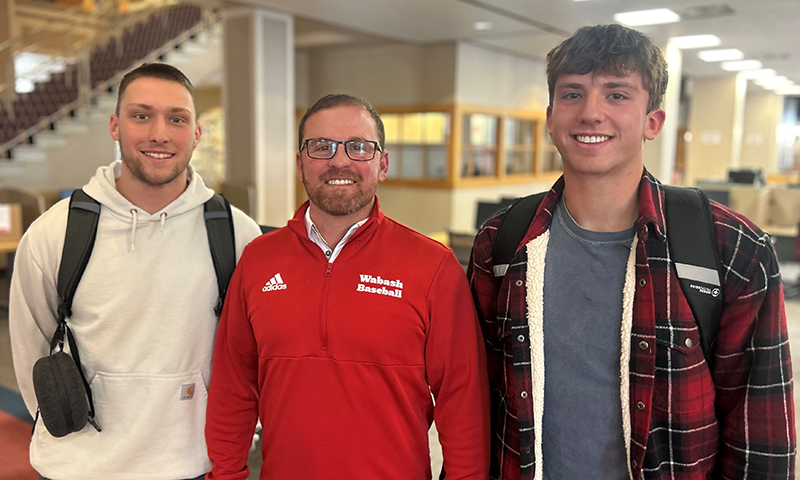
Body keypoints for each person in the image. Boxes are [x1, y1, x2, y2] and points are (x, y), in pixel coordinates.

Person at [469, 24, 796, 480]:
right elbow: (475, 406)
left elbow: (761, 444)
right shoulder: (501, 244)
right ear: (550, 117)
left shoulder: (731, 248)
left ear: (652, 122)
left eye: (617, 95)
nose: (591, 113)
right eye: (572, 94)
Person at [205, 94, 490, 479]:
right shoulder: (257, 261)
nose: (339, 160)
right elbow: (233, 387)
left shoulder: (432, 267)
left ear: (382, 164)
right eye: (321, 147)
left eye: (358, 147)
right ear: (300, 163)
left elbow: (464, 403)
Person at [9, 63, 262, 480]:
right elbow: (28, 349)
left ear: (197, 134)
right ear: (115, 125)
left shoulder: (237, 233)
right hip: (77, 466)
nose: (159, 133)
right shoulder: (56, 232)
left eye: (177, 119)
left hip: (191, 462)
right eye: (141, 115)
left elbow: (250, 352)